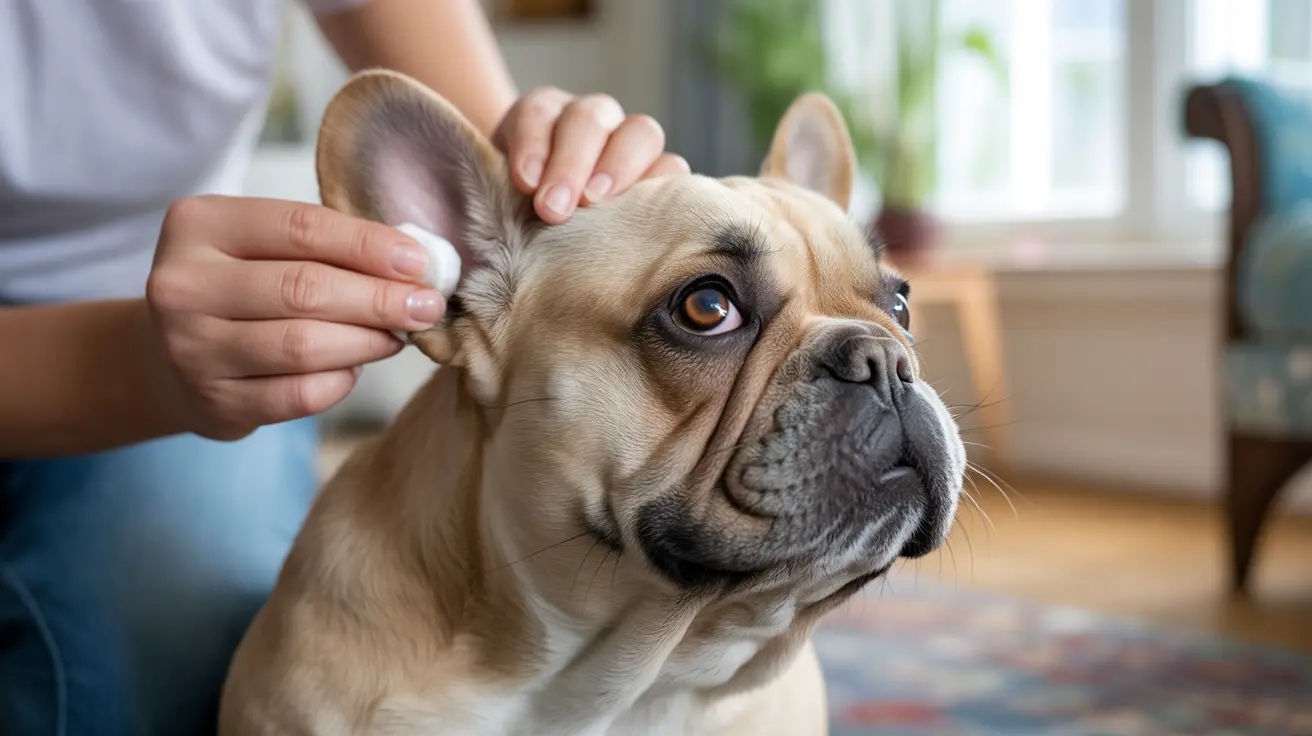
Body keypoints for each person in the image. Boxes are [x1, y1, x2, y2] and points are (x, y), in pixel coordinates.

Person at [0, 1, 686, 732]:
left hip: (177, 327)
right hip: (138, 360)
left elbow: (504, 175)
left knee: (169, 650)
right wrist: (133, 366)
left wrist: (547, 163)